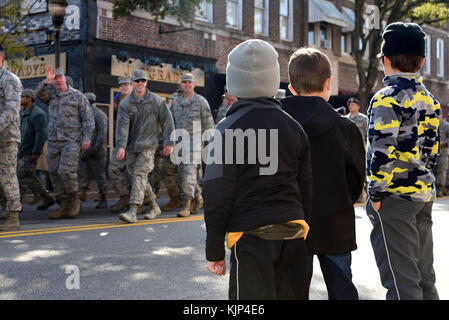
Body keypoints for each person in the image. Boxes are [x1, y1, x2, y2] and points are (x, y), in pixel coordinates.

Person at [204, 39, 313, 300]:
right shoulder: (294, 128)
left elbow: (216, 194)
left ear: (233, 79)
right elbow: (306, 187)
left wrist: (214, 250)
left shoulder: (226, 129)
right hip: (294, 232)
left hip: (251, 236)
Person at [281, 47, 365, 300]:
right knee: (342, 290)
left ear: (291, 86)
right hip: (335, 222)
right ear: (329, 83)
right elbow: (356, 180)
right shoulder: (346, 128)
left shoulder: (279, 123)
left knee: (292, 291)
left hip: (291, 222)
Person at [366, 22, 440, 300]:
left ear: (385, 60)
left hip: (394, 198)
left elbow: (381, 151)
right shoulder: (430, 100)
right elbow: (433, 151)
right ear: (421, 62)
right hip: (423, 194)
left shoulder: (386, 99)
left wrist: (376, 194)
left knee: (401, 284)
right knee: (423, 279)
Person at [115, 70, 174, 223]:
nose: (140, 83)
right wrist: (120, 146)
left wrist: (169, 143)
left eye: (142, 80)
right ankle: (154, 206)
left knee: (139, 175)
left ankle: (133, 210)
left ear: (146, 82)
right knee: (138, 178)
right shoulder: (125, 103)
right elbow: (122, 127)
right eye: (137, 81)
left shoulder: (156, 101)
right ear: (133, 83)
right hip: (131, 147)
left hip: (149, 146)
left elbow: (168, 122)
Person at [37, 66, 94, 219]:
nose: (58, 81)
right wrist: (46, 82)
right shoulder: (52, 96)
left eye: (59, 77)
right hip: (54, 141)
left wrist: (87, 138)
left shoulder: (78, 96)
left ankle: (74, 200)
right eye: (55, 78)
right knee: (54, 172)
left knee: (66, 171)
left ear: (65, 78)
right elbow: (38, 95)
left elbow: (88, 119)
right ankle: (63, 204)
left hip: (71, 141)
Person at [170, 73, 214, 217]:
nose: (187, 84)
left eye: (190, 82)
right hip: (179, 143)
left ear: (194, 84)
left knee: (189, 172)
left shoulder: (201, 101)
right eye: (184, 82)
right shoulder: (176, 103)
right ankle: (199, 198)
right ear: (181, 85)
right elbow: (171, 124)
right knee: (184, 174)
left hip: (195, 142)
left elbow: (208, 124)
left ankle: (186, 205)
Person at [17, 89, 55, 211]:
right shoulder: (24, 112)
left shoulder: (38, 114)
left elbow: (41, 135)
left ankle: (15, 206)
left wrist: (36, 151)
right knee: (30, 177)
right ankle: (47, 197)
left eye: (22, 96)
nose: (20, 98)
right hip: (23, 150)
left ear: (29, 98)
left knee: (21, 178)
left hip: (30, 152)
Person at [0, 45, 23, 231]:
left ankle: (14, 215)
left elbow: (11, 111)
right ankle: (4, 210)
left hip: (7, 137)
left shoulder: (10, 80)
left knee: (7, 175)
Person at [79, 92, 108, 209]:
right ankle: (81, 196)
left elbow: (102, 134)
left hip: (97, 152)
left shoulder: (99, 115)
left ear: (90, 101)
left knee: (100, 176)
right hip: (84, 152)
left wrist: (95, 149)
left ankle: (103, 198)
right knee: (81, 175)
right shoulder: (84, 114)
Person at [109, 76, 133, 213]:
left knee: (135, 175)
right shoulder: (118, 101)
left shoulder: (137, 101)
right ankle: (124, 197)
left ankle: (141, 202)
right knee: (113, 169)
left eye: (126, 84)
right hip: (120, 144)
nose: (124, 87)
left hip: (134, 144)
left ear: (132, 86)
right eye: (121, 85)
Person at [434, 113, 449, 196]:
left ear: (442, 115)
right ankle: (433, 188)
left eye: (438, 114)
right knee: (433, 170)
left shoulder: (446, 125)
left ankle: (439, 189)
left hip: (443, 152)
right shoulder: (433, 123)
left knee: (441, 171)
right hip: (434, 152)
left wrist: (444, 143)